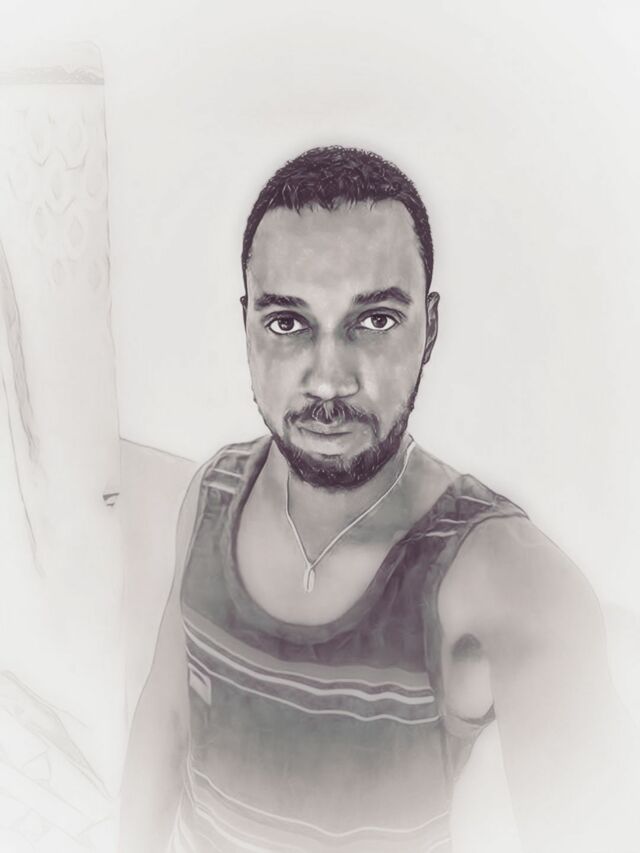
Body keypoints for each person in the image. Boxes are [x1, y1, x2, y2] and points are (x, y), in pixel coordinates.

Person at [119, 146, 638, 853]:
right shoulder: (211, 495)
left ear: (430, 328)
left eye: (375, 321)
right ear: (247, 327)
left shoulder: (513, 581)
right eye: (287, 322)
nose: (329, 380)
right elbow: (167, 718)